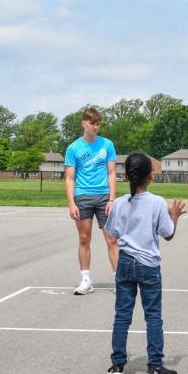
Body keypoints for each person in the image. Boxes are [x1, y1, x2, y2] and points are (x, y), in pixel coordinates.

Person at [104, 152, 186, 374]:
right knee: (153, 316)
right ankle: (155, 367)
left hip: (126, 262)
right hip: (148, 264)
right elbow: (168, 234)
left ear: (126, 175)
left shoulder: (119, 203)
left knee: (122, 315)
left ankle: (117, 366)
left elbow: (111, 233)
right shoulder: (157, 202)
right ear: (151, 175)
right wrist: (175, 216)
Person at [64, 107, 118, 295]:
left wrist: (112, 198)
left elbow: (112, 173)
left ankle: (119, 280)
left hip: (104, 196)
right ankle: (86, 280)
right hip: (83, 196)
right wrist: (71, 203)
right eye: (92, 123)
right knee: (84, 238)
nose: (95, 127)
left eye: (98, 124)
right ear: (84, 123)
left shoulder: (107, 145)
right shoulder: (73, 148)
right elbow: (70, 178)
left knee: (111, 238)